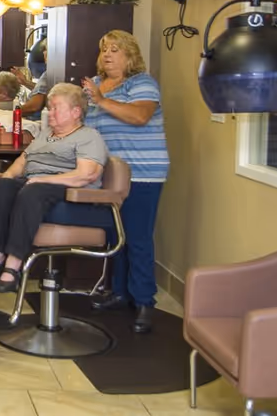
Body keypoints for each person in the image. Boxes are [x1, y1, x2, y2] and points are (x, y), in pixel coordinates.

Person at [0, 83, 107, 292]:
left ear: (75, 111)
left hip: (68, 195)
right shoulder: (46, 134)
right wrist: (7, 178)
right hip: (36, 188)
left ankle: (13, 266)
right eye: (48, 107)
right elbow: (24, 160)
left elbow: (86, 175)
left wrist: (44, 180)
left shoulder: (88, 136)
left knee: (32, 191)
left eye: (55, 108)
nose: (49, 113)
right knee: (3, 187)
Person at [81, 30, 169, 334]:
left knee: (137, 237)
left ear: (130, 55)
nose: (107, 55)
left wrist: (102, 100)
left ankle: (144, 300)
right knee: (115, 236)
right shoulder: (95, 85)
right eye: (104, 49)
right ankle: (119, 292)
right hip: (109, 175)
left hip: (143, 171)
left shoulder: (141, 82)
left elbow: (140, 116)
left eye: (115, 50)